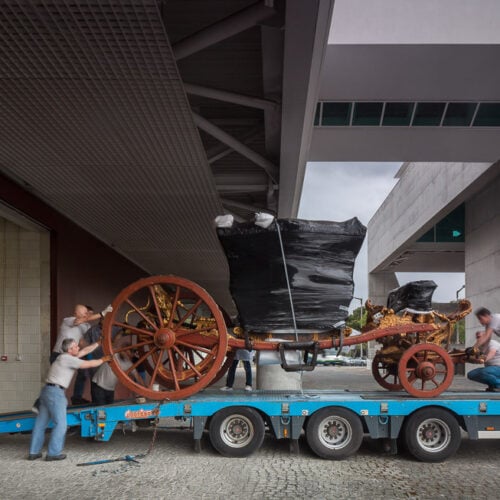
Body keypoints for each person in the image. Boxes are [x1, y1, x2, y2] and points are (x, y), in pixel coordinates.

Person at [28, 338, 111, 461]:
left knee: (40, 424)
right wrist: (103, 359)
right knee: (61, 424)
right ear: (70, 349)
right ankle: (53, 453)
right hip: (56, 393)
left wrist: (99, 343)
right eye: (76, 346)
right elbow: (88, 364)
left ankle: (34, 452)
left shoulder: (64, 357)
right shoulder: (68, 359)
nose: (78, 348)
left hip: (46, 392)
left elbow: (85, 350)